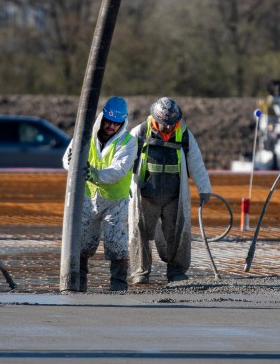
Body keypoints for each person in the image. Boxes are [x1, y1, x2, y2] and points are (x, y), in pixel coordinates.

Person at [128, 97, 212, 284]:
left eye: (171, 124)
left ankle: (177, 272)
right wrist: (123, 188)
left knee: (177, 234)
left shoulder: (185, 135)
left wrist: (204, 188)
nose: (167, 128)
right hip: (145, 196)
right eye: (163, 124)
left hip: (174, 196)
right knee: (138, 233)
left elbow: (196, 163)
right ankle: (140, 273)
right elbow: (125, 161)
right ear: (155, 118)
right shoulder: (140, 132)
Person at [62, 96, 137, 292]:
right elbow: (66, 160)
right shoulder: (84, 137)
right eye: (108, 121)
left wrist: (93, 174)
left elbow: (118, 170)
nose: (111, 126)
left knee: (116, 243)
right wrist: (72, 163)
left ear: (123, 122)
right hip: (88, 198)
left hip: (115, 201)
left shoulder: (128, 142)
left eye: (116, 123)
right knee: (82, 243)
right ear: (101, 118)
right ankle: (77, 285)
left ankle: (118, 287)